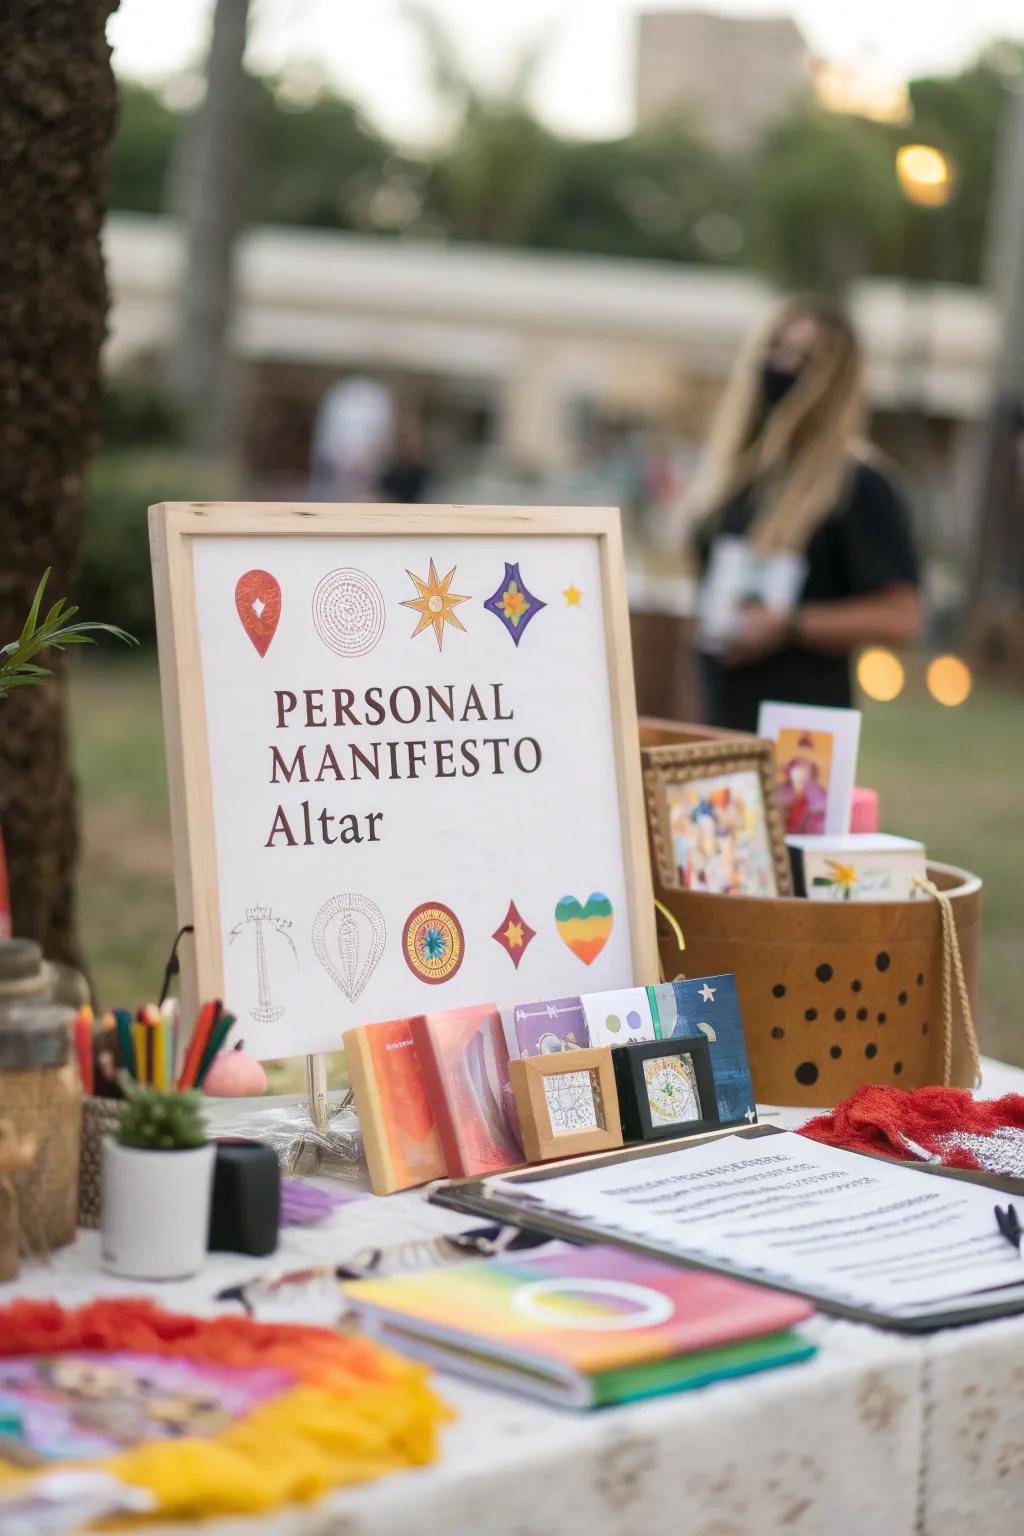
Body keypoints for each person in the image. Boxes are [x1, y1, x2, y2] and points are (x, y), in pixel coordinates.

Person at [689, 297, 922, 731]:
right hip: (720, 714)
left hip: (800, 733)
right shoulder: (740, 474)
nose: (781, 366)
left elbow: (901, 616)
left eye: (802, 358)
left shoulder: (860, 485)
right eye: (776, 349)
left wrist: (791, 626)